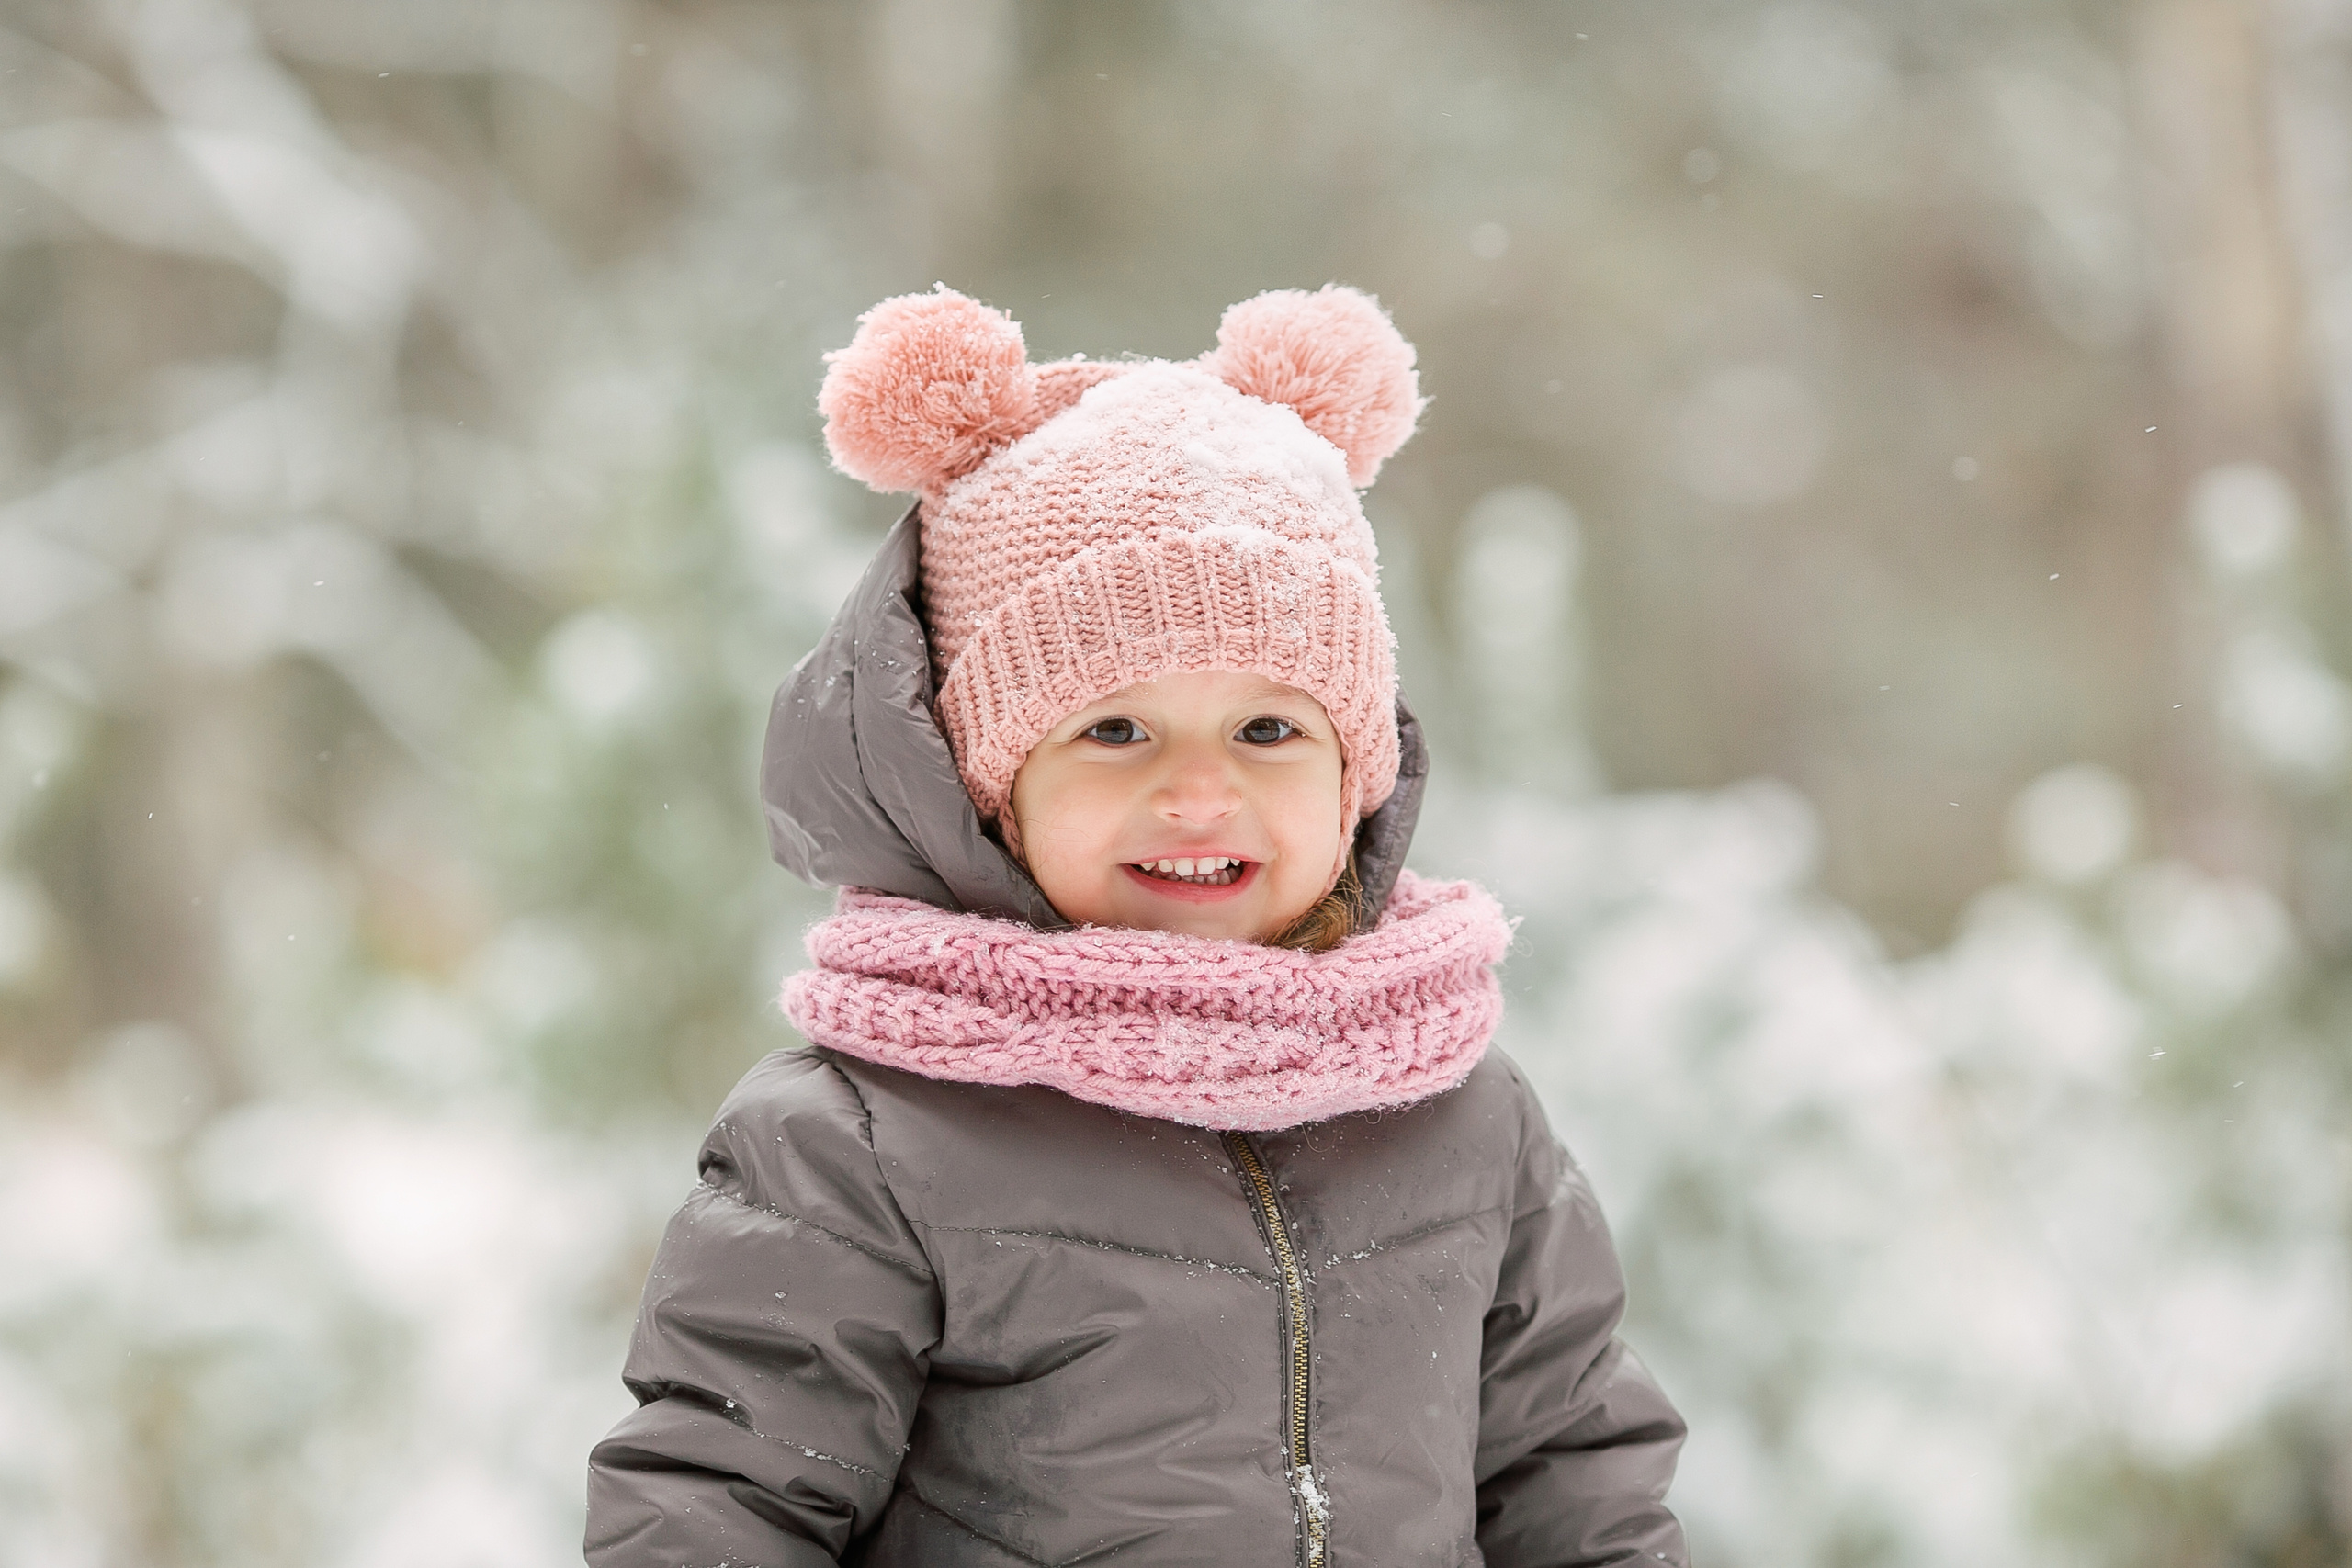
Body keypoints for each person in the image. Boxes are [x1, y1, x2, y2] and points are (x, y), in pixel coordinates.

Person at [584, 283, 1688, 1566]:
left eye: (1270, 729)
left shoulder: (1461, 1111)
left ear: (1357, 778)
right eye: (1116, 730)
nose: (1200, 790)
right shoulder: (864, 1144)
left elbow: (1572, 1479)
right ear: (988, 786)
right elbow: (721, 1507)